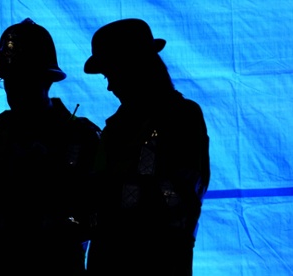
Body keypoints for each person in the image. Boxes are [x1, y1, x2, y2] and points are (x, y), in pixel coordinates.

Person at [0, 18, 101, 275]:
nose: (13, 89)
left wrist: (45, 221)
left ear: (46, 80)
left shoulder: (81, 136)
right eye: (8, 80)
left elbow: (96, 216)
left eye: (24, 79)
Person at [83, 18, 211, 275]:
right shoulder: (115, 127)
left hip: (158, 261)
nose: (109, 86)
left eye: (112, 74)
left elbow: (178, 199)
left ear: (136, 67)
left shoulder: (182, 117)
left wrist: (111, 193)